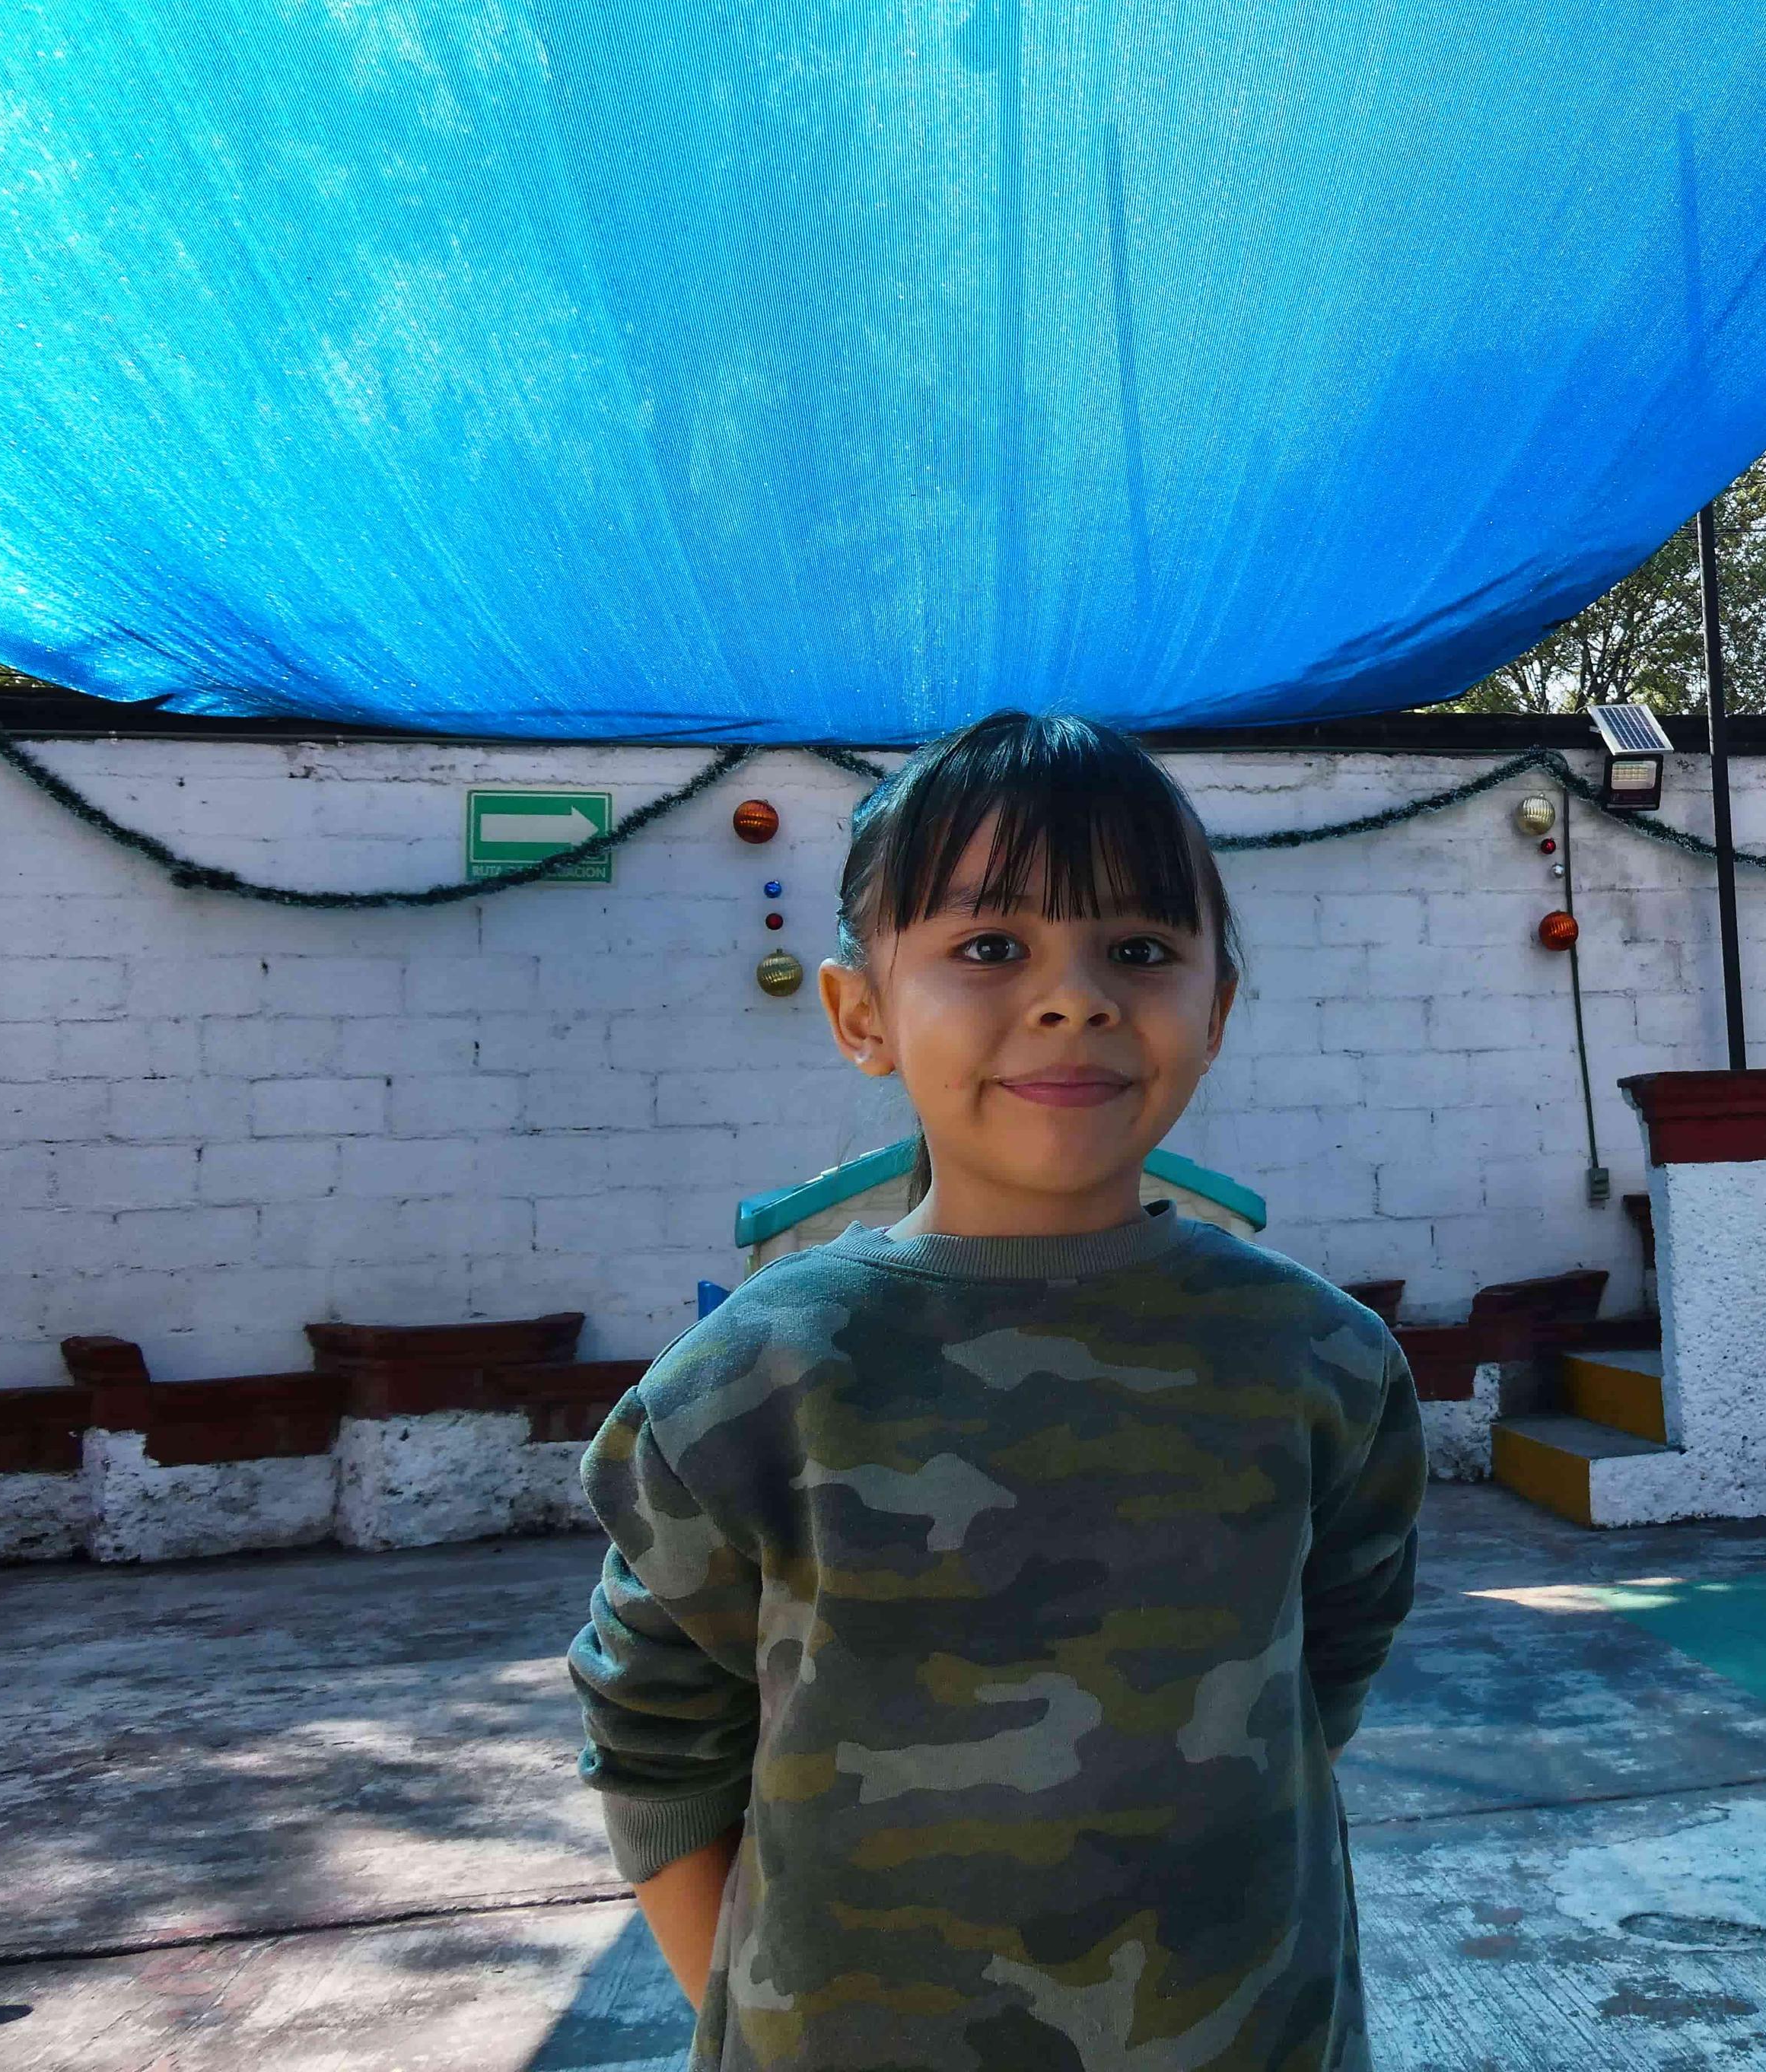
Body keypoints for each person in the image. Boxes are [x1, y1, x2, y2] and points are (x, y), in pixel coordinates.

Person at [567, 711, 1425, 2071]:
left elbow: (1326, 1671)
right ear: (862, 1014)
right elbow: (653, 1742)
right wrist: (764, 2020)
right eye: (988, 948)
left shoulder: (1322, 1361)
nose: (1075, 996)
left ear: (1219, 1008)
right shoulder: (755, 1379)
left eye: (1140, 950)